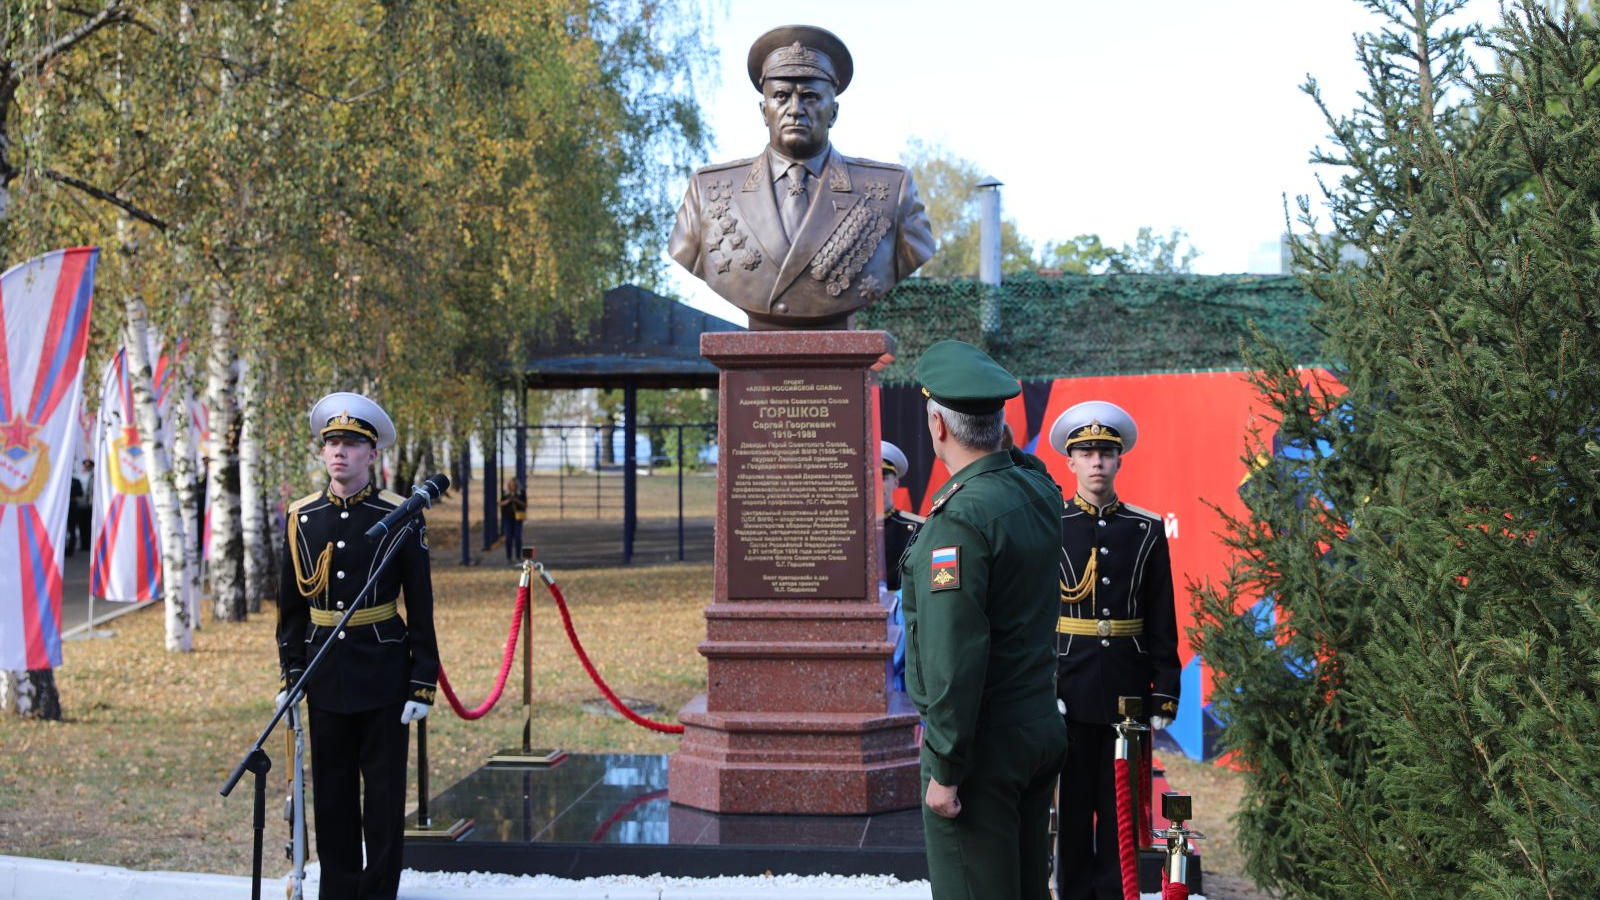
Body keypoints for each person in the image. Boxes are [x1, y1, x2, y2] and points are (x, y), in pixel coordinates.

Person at [898, 340, 1068, 900]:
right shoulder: (1037, 490)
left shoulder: (958, 521)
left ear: (937, 426)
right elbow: (1024, 463)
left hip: (980, 745)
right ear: (998, 425)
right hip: (1036, 724)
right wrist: (996, 438)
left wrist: (945, 768)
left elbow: (954, 656)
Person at [275, 391, 439, 900]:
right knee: (333, 792)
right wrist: (291, 673)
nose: (339, 452)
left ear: (372, 454)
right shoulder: (302, 517)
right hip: (325, 672)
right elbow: (290, 610)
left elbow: (421, 603)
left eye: (350, 444)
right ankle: (340, 890)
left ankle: (378, 892)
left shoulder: (401, 514)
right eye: (332, 443)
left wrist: (422, 680)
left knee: (384, 796)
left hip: (384, 671)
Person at [668, 25, 934, 330]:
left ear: (833, 113)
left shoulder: (891, 191)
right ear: (764, 111)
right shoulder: (709, 191)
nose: (795, 110)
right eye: (781, 96)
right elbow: (686, 251)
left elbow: (915, 251)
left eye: (810, 97)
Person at [1048, 400, 1180, 900]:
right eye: (1086, 453)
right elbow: (1038, 614)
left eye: (1105, 453)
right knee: (1074, 805)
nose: (1097, 462)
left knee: (1120, 804)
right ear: (1070, 462)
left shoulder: (1145, 529)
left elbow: (1161, 614)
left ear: (1120, 460)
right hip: (1069, 684)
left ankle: (1113, 893)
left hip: (1128, 684)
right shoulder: (1052, 523)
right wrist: (1045, 686)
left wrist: (1165, 690)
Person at [879, 440, 922, 592]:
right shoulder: (846, 529)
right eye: (870, 475)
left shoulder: (919, 529)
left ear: (896, 482)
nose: (875, 482)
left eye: (883, 477)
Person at [498, 476, 526, 564]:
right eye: (511, 485)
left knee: (518, 537)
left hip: (518, 518)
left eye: (514, 485)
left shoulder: (521, 493)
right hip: (507, 518)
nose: (513, 487)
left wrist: (516, 500)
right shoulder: (505, 494)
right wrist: (508, 500)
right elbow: (500, 503)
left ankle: (518, 556)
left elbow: (525, 504)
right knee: (508, 537)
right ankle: (509, 557)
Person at [67, 459, 93, 555]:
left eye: (88, 466)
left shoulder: (92, 476)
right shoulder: (79, 476)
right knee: (81, 526)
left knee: (87, 526)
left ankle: (87, 545)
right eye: (85, 466)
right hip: (79, 505)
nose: (86, 468)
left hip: (88, 505)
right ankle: (83, 545)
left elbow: (82, 492)